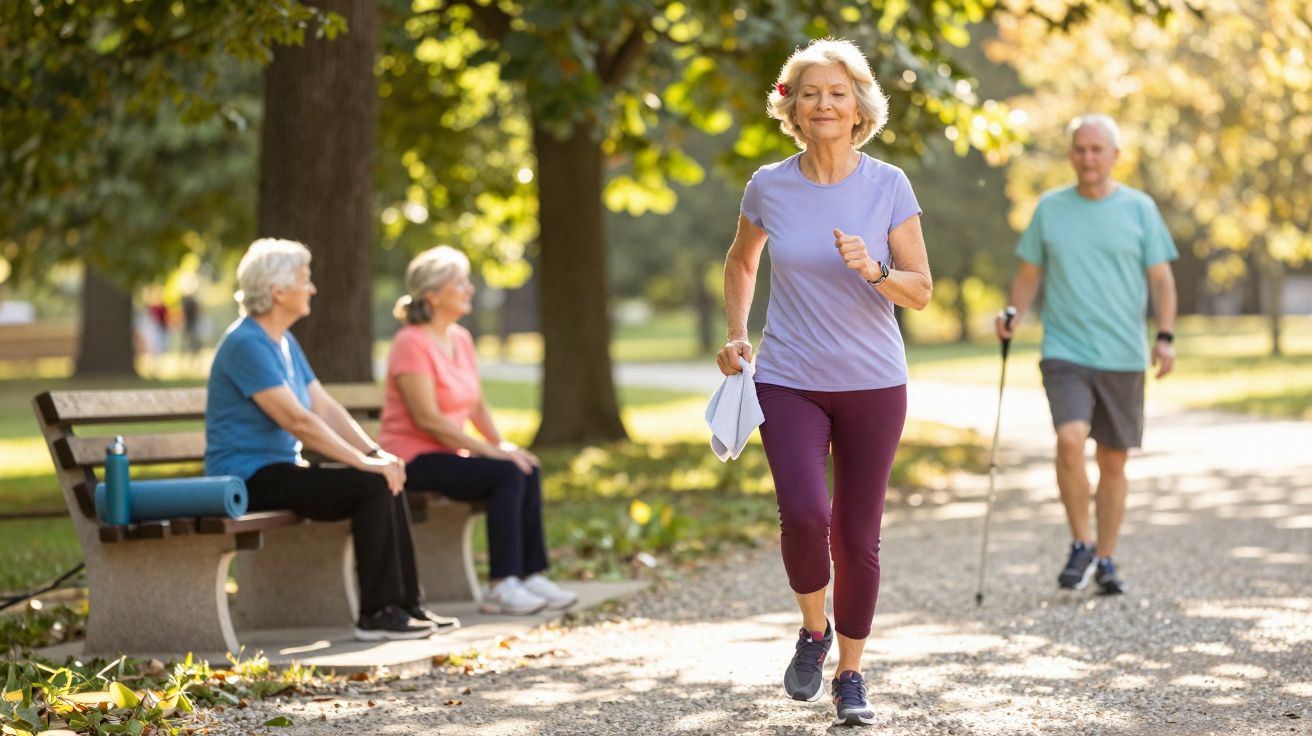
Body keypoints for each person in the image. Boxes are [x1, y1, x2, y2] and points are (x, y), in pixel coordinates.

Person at [716, 39, 932, 728]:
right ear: (792, 107)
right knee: (807, 515)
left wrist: (874, 270)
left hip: (874, 383)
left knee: (858, 537)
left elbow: (921, 290)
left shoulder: (889, 185)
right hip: (789, 379)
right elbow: (741, 261)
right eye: (809, 93)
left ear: (859, 106)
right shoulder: (768, 185)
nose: (824, 104)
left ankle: (851, 674)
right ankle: (814, 629)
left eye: (837, 92)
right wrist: (737, 333)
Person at [205, 238, 459, 641]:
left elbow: (324, 407)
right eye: (305, 279)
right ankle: (377, 614)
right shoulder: (246, 344)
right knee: (371, 483)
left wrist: (375, 453)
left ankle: (406, 605)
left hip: (279, 470)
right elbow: (298, 421)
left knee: (384, 476)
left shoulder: (283, 341)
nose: (313, 288)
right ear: (277, 291)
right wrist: (363, 463)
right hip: (245, 478)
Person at [996, 113, 1178, 596]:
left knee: (1113, 461)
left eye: (1097, 149)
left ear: (1115, 156)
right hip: (1066, 350)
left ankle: (1107, 559)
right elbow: (1029, 274)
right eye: (1080, 149)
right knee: (1070, 439)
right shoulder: (1050, 208)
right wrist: (1013, 312)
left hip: (1123, 353)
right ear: (1070, 155)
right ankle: (1081, 542)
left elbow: (1162, 279)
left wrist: (1165, 336)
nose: (1088, 157)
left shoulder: (1139, 209)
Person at [379, 246, 578, 616]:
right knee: (504, 473)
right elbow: (427, 419)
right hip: (410, 458)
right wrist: (488, 452)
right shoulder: (410, 342)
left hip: (447, 453)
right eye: (460, 283)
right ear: (433, 295)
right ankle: (501, 586)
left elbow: (475, 404)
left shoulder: (460, 339)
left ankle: (530, 574)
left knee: (525, 465)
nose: (469, 289)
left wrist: (501, 444)